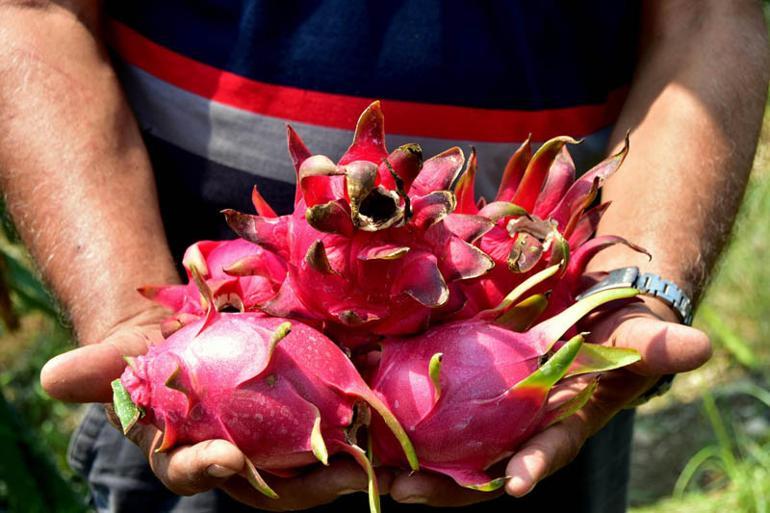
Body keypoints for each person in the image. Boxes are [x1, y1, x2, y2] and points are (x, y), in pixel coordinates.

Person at [0, 0, 766, 511]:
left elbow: (710, 15)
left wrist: (627, 288)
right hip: (189, 378)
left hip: (550, 376)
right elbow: (35, 9)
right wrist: (126, 310)